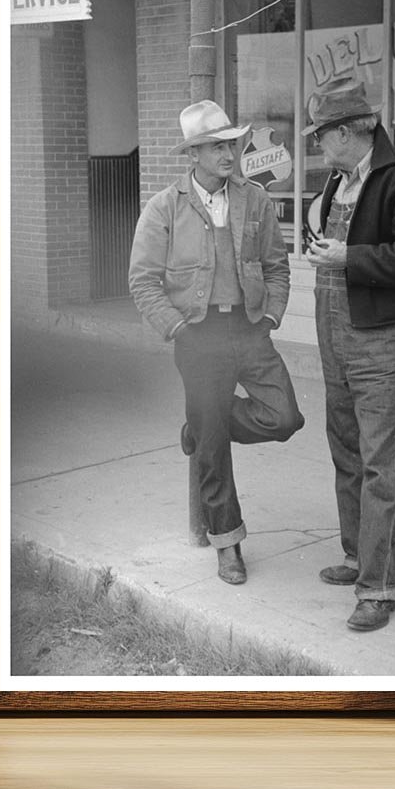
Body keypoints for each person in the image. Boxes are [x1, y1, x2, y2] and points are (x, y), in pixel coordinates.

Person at [128, 100, 305, 585]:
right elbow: (142, 281)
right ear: (194, 154)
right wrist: (178, 330)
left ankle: (201, 427)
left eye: (232, 143)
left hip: (249, 329)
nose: (230, 153)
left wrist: (270, 316)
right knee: (214, 448)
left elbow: (276, 266)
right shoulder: (165, 206)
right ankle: (228, 544)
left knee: (284, 417)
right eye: (217, 146)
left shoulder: (256, 201)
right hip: (196, 335)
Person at [304, 78, 395, 632]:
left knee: (383, 464)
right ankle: (356, 556)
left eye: (321, 136)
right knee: (346, 449)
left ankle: (381, 586)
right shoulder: (338, 180)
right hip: (336, 331)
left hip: (387, 338)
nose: (318, 147)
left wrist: (347, 255)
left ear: (345, 132)